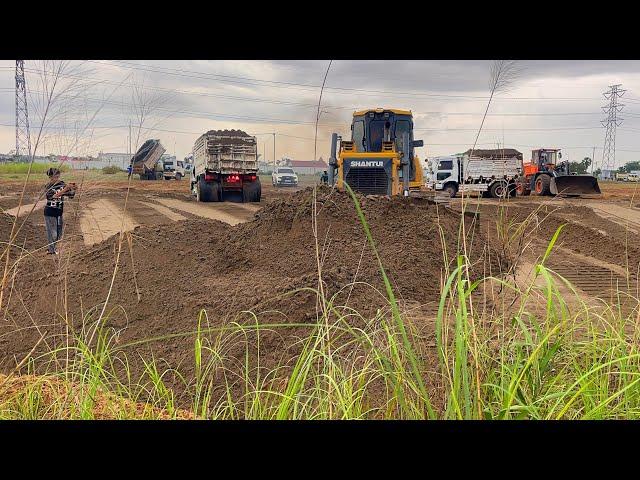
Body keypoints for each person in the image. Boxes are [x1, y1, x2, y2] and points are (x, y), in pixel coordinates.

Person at [43, 167, 76, 255]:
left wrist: (73, 189)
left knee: (59, 234)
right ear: (50, 177)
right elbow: (52, 196)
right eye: (54, 177)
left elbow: (71, 195)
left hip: (59, 213)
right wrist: (65, 189)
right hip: (50, 212)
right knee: (52, 233)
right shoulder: (48, 186)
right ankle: (51, 250)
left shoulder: (62, 184)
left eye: (58, 176)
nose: (57, 179)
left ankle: (52, 249)